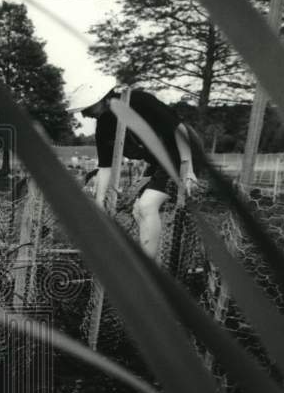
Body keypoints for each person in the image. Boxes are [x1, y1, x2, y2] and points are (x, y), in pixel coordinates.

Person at [67, 79, 197, 259]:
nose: (85, 115)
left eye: (88, 109)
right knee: (137, 210)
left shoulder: (140, 102)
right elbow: (105, 167)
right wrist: (99, 203)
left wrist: (188, 168)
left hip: (181, 154)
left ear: (102, 99)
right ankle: (154, 262)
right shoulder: (104, 126)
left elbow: (179, 128)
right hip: (159, 162)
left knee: (146, 206)